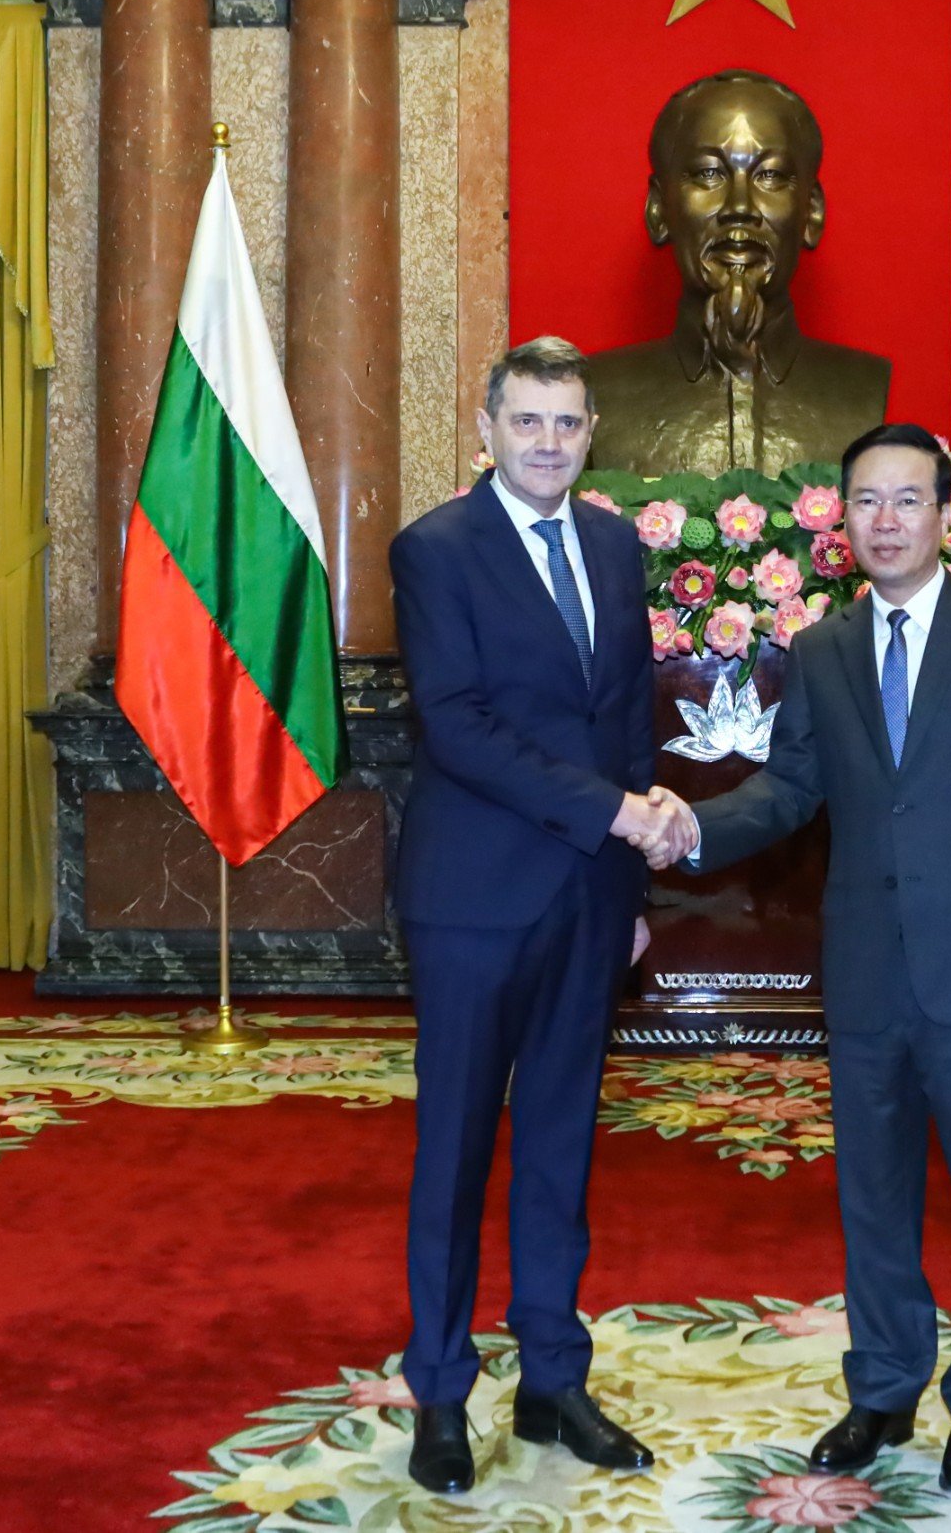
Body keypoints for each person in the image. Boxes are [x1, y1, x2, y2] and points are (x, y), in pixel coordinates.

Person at [641, 422, 951, 1495]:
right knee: (874, 1192)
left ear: (944, 514)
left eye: (907, 500)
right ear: (842, 521)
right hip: (867, 970)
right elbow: (791, 788)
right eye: (867, 502)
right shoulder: (824, 648)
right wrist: (687, 825)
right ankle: (883, 1386)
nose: (886, 521)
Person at [388, 336, 683, 1495]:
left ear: (590, 432)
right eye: (527, 421)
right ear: (487, 429)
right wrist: (615, 812)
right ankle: (440, 1393)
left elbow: (625, 714)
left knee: (561, 1146)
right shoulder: (435, 549)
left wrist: (635, 882)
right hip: (473, 899)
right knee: (457, 1152)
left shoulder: (611, 543)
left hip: (590, 895)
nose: (548, 443)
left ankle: (554, 1380)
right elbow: (456, 724)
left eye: (566, 423)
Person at [585, 69, 889, 476]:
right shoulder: (596, 393)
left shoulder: (861, 390)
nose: (740, 207)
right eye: (709, 173)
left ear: (812, 212)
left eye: (770, 175)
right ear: (658, 209)